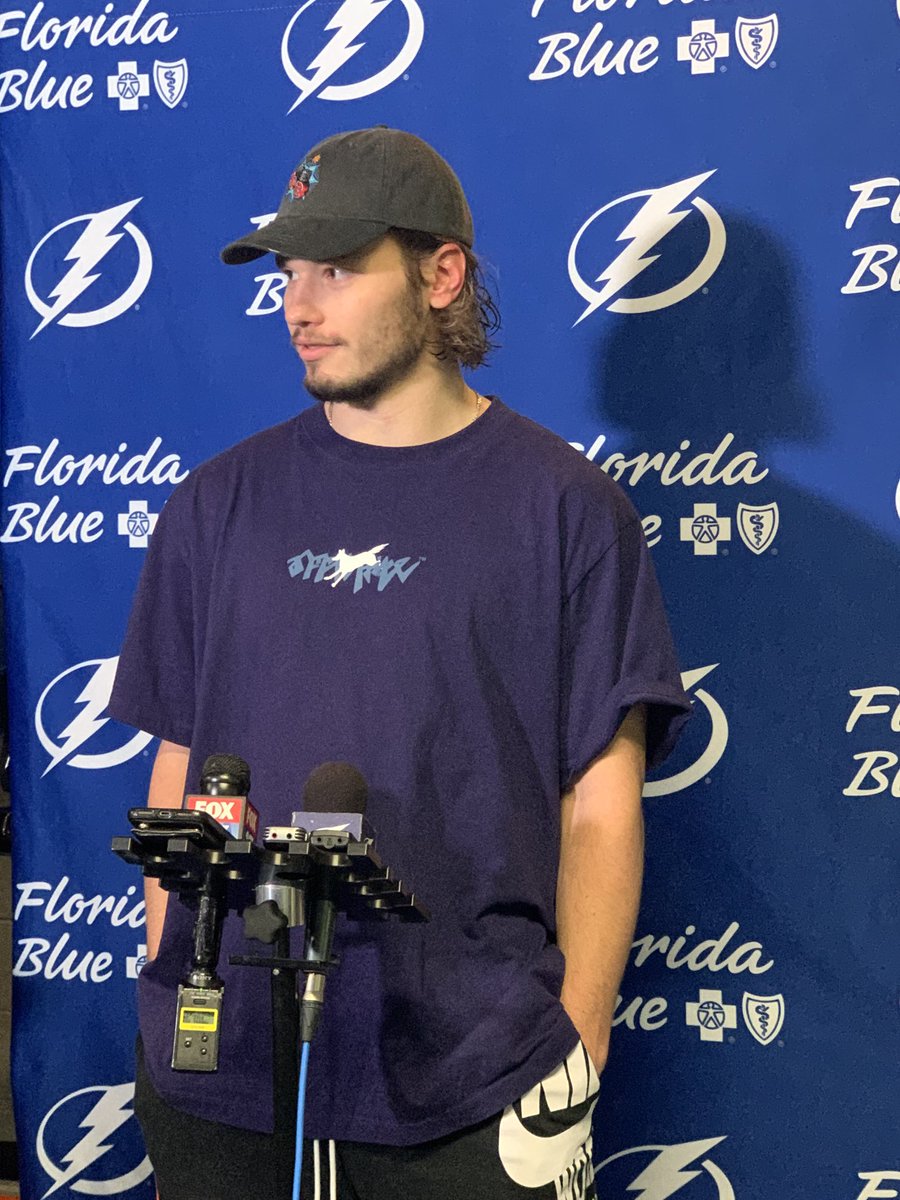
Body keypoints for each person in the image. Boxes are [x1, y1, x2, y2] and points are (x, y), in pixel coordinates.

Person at [109, 125, 692, 1200]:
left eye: (337, 268)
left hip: (473, 1086)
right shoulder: (215, 504)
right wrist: (172, 991)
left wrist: (581, 1043)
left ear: (442, 274)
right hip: (223, 1079)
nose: (301, 304)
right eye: (291, 272)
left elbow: (601, 803)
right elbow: (179, 775)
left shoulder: (566, 511)